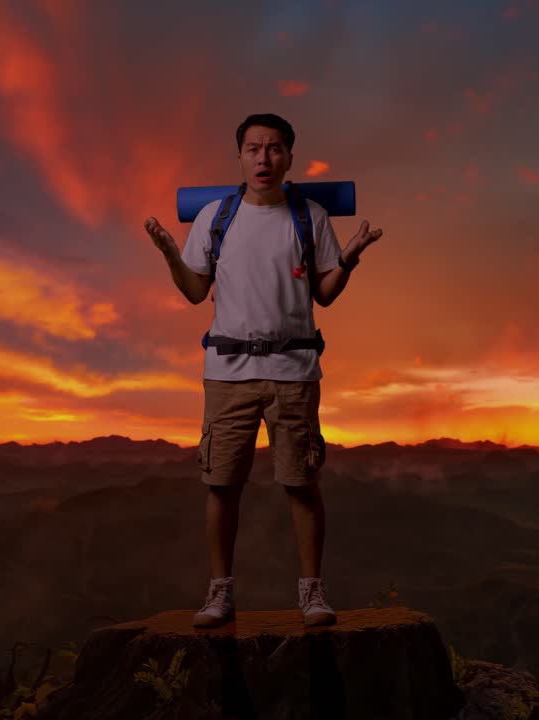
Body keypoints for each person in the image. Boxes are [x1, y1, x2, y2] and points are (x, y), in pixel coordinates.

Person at [144, 113, 383, 628]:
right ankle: (219, 594)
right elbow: (193, 292)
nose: (264, 159)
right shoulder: (215, 216)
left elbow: (324, 294)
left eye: (274, 149)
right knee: (222, 484)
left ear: (290, 157)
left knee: (301, 483)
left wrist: (352, 257)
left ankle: (312, 593)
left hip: (294, 369)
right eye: (253, 149)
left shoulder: (309, 216)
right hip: (227, 371)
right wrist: (169, 251)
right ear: (239, 156)